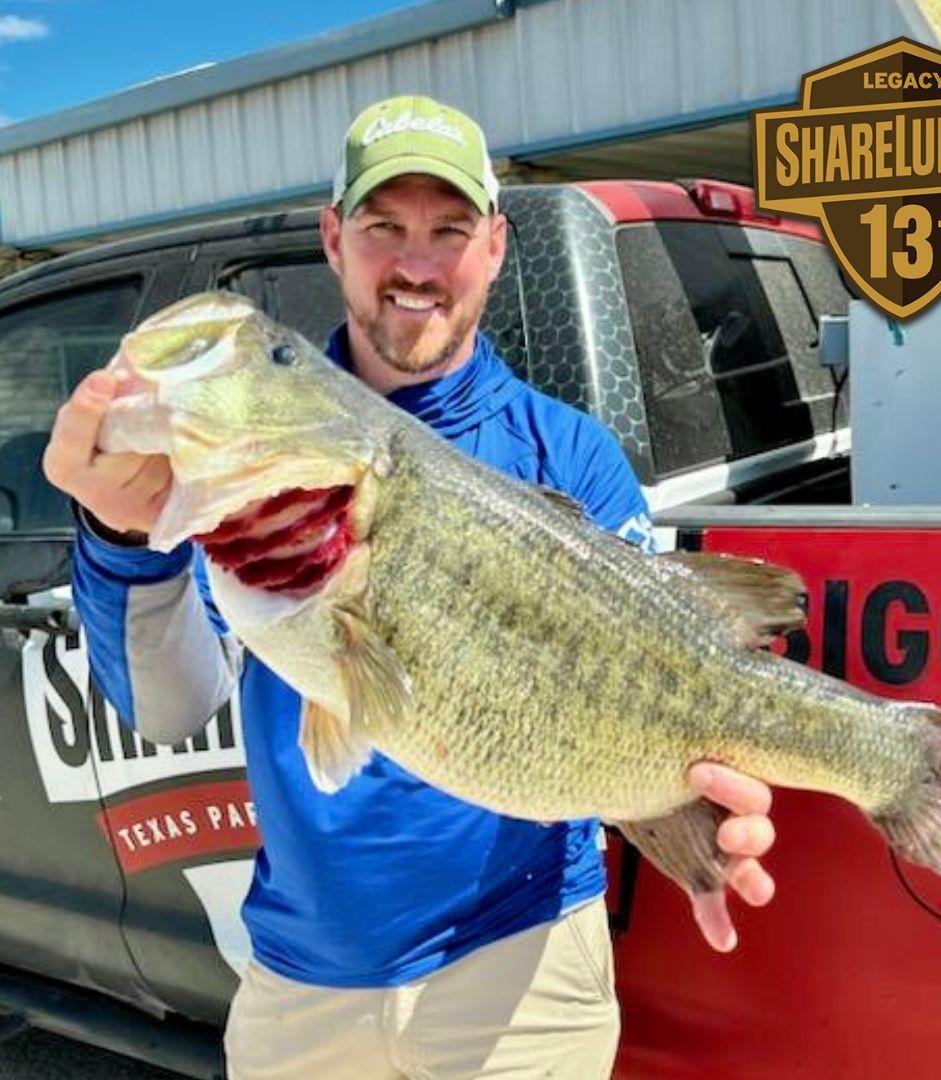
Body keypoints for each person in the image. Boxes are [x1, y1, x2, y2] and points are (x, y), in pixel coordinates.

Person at [44, 95, 777, 1080]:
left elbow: (639, 694)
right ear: (334, 240)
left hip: (521, 971)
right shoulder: (260, 457)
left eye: (450, 229)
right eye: (384, 226)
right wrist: (122, 535)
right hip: (300, 983)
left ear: (496, 245)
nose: (416, 265)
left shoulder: (569, 455)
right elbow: (172, 705)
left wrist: (688, 813)